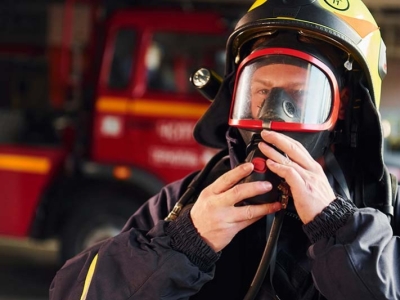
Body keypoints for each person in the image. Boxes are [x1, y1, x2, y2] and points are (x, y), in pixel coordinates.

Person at [49, 0, 400, 299]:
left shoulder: (386, 205)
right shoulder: (188, 202)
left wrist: (338, 230)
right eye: (261, 92)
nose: (272, 115)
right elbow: (72, 291)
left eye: (302, 96)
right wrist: (182, 245)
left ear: (347, 106)